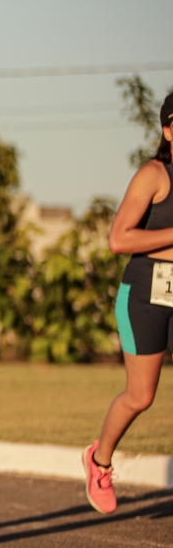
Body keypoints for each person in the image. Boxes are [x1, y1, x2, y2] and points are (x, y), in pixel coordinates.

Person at [87, 92, 173, 514]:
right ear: (168, 130)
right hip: (144, 293)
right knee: (141, 396)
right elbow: (118, 239)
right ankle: (99, 461)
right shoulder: (154, 175)